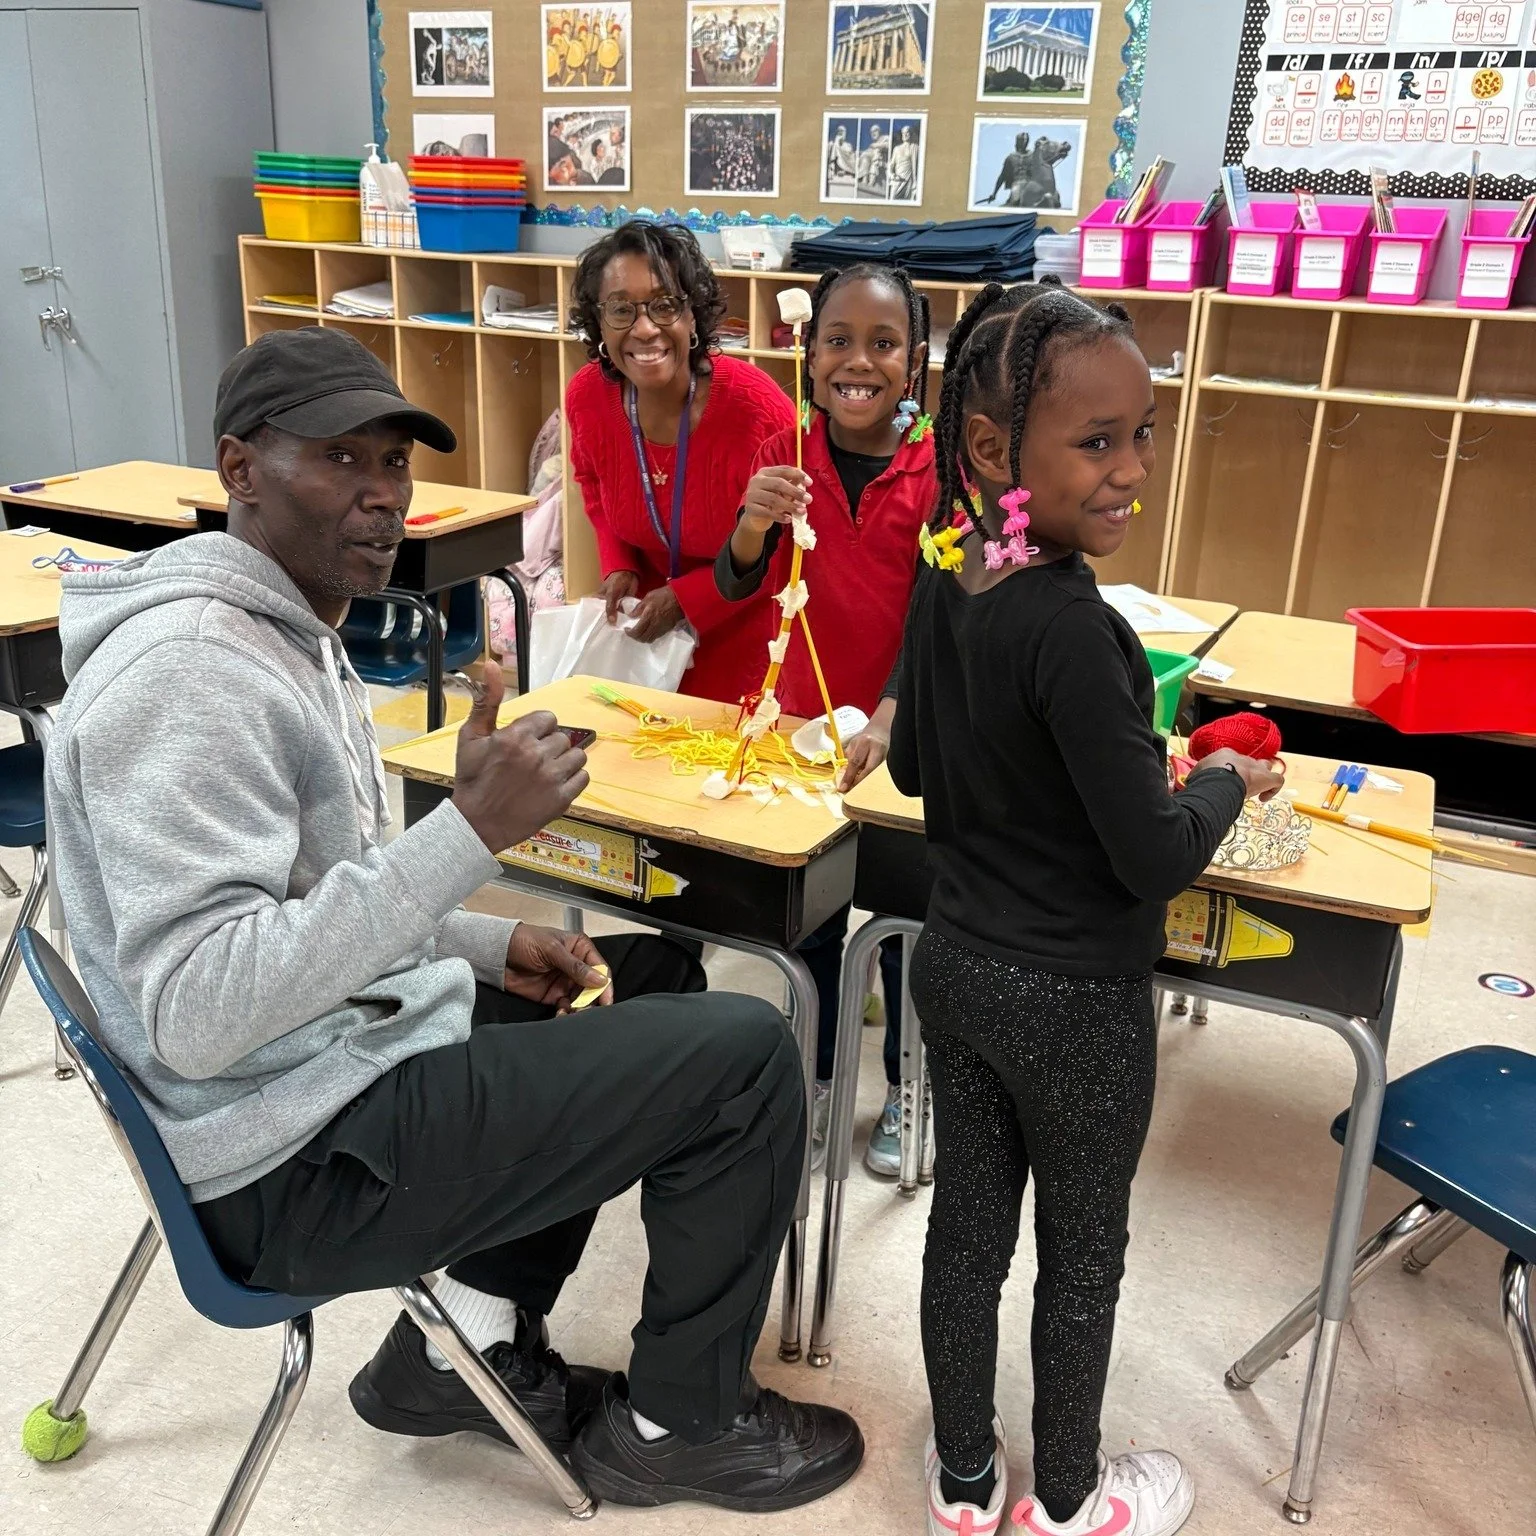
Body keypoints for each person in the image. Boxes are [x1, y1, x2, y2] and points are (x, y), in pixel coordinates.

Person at [43, 326, 863, 1514]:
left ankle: (458, 1346)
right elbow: (202, 1012)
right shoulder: (194, 676)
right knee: (745, 1057)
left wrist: (486, 939)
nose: (382, 495)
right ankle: (681, 1424)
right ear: (240, 469)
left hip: (318, 1071)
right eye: (339, 459)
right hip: (287, 1162)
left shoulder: (282, 628)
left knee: (645, 973)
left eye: (393, 462)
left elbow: (309, 903)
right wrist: (466, 836)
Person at [890, 282, 1284, 1536]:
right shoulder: (1076, 627)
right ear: (991, 446)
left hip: (959, 966)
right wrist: (1222, 781)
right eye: (1098, 441)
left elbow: (915, 767)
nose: (1132, 470)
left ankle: (966, 1481)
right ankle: (1068, 1500)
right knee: (1081, 1257)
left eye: (1143, 433)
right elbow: (1154, 859)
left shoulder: (949, 568)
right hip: (1077, 1004)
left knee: (966, 1237)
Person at [713, 263, 936, 1178]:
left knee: (907, 924)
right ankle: (811, 1081)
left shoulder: (938, 464)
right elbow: (738, 583)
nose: (859, 362)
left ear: (914, 361)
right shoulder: (785, 447)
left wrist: (892, 712)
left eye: (884, 344)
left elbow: (941, 611)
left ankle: (908, 1087)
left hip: (905, 739)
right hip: (802, 734)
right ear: (807, 354)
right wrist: (750, 524)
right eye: (837, 340)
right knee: (811, 923)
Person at [565, 220, 795, 704]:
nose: (645, 328)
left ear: (693, 316)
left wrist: (690, 599)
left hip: (746, 624)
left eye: (665, 305)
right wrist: (617, 564)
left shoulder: (757, 409)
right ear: (599, 325)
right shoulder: (587, 397)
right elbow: (592, 482)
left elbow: (794, 543)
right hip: (644, 630)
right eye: (621, 309)